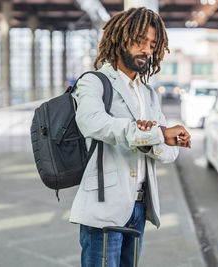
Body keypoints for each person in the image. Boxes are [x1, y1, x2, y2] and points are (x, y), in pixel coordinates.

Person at [69, 7, 191, 266]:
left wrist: (157, 139)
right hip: (105, 206)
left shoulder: (147, 93)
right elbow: (93, 124)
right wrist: (152, 133)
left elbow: (169, 153)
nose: (147, 49)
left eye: (152, 44)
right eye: (140, 41)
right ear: (121, 38)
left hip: (139, 207)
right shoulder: (95, 82)